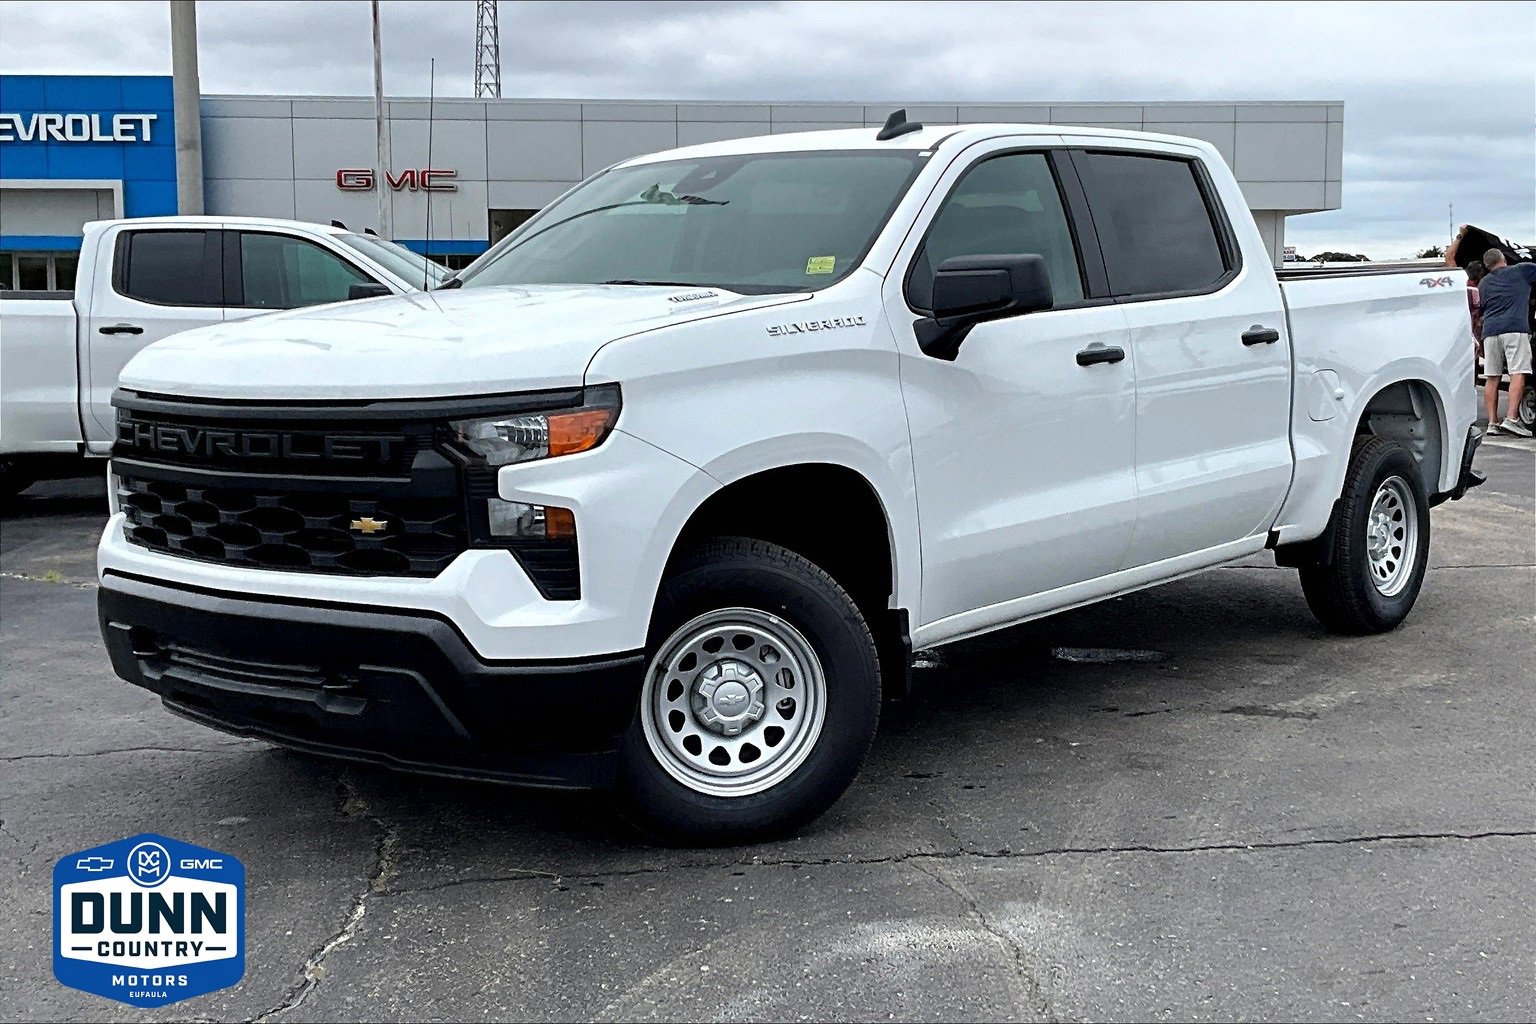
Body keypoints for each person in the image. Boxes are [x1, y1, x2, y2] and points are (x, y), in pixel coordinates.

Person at [1476, 247, 1536, 437]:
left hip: (1490, 333)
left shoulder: (1483, 283)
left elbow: (1480, 309)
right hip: (1515, 329)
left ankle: (1492, 423)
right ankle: (1511, 419)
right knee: (1518, 372)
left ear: (1487, 266)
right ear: (1504, 259)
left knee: (1492, 377)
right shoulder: (1521, 270)